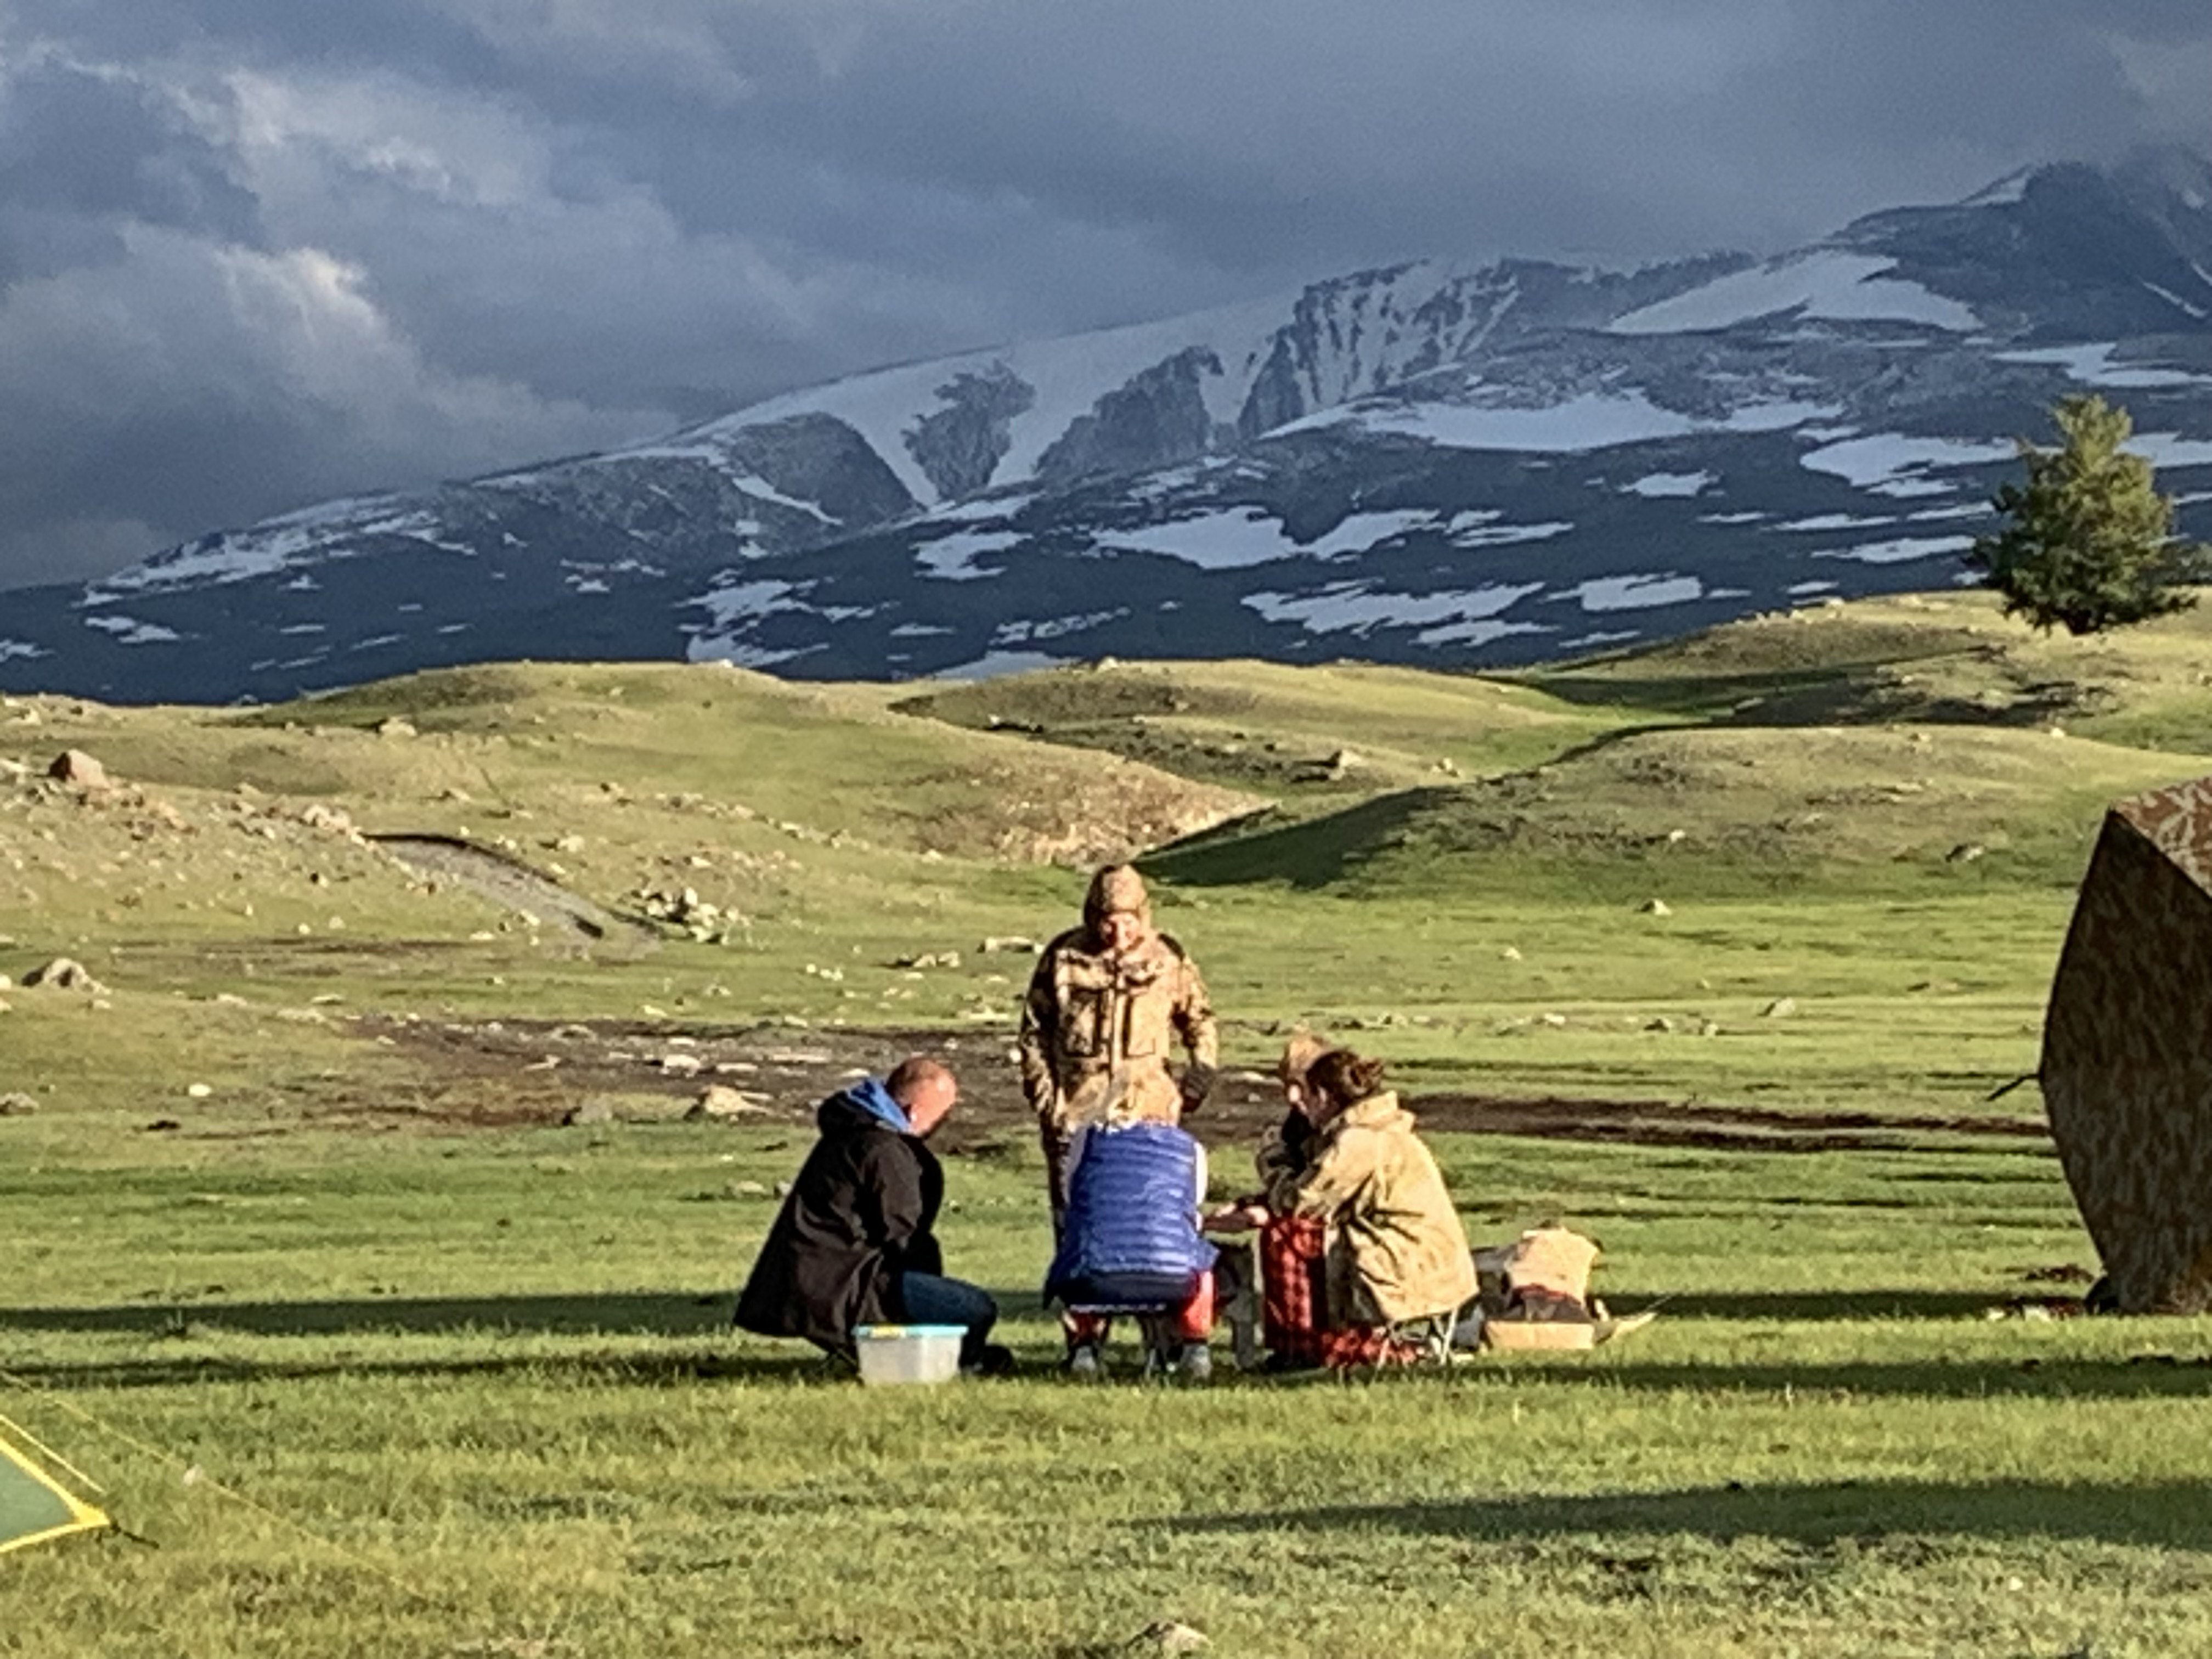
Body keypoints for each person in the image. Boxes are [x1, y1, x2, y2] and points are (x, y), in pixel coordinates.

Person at [735, 1056, 1008, 1374]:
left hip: (812, 1281)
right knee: (974, 1308)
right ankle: (961, 1365)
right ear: (915, 1113)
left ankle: (863, 1352)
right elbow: (903, 1234)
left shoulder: (850, 1135)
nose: (944, 1123)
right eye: (942, 1115)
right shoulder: (885, 1151)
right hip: (848, 1286)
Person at [1019, 863, 1219, 1233]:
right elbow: (1034, 1033)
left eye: (1128, 922)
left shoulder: (1167, 958)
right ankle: (1077, 1289)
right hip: (1076, 1108)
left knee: (1144, 1212)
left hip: (1148, 1110)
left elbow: (1199, 1020)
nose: (1118, 933)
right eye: (1109, 922)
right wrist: (1047, 1098)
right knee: (1076, 1215)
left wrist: (1201, 1073)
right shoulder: (1064, 956)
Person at [1260, 1047, 1477, 1367]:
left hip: (1405, 1265)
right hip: (1434, 1262)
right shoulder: (1383, 1130)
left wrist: (1274, 1160)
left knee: (1289, 1235)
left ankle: (1303, 1346)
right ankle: (1319, 1344)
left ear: (1325, 1097)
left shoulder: (1360, 1142)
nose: (1297, 1102)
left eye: (1305, 1093)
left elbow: (1301, 1203)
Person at [1045, 1121, 1218, 1380]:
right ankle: (1196, 1349)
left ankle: (1085, 1349)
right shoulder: (1189, 1147)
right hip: (1171, 1278)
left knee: (1080, 1251)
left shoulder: (1088, 1139)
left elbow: (1072, 1194)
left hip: (1094, 1279)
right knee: (1202, 1265)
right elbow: (1193, 1205)